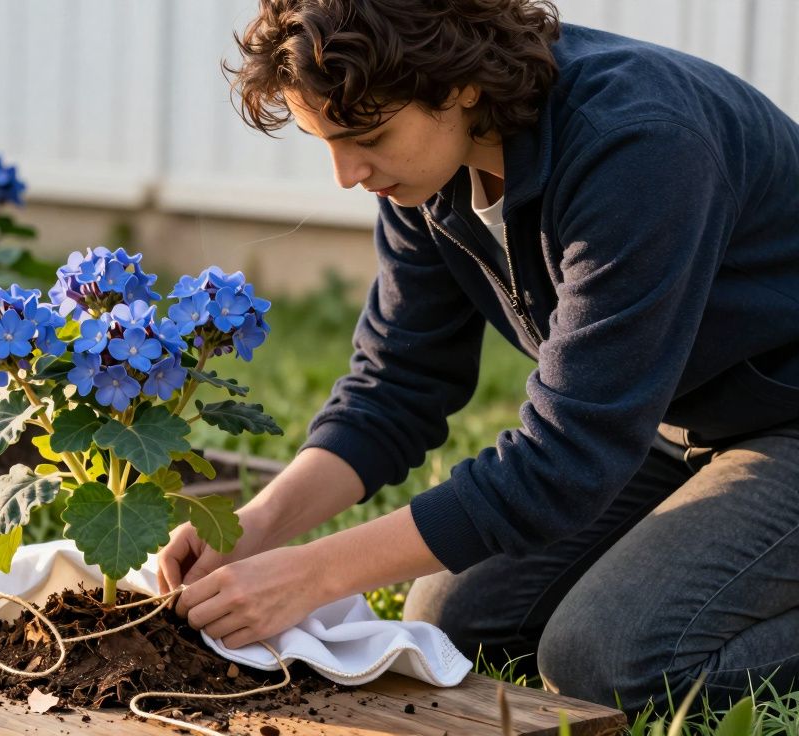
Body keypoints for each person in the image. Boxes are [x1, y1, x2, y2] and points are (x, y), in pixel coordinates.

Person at [157, 0, 799, 713]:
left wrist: (311, 574)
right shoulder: (426, 173)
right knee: (455, 619)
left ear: (460, 85)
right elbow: (396, 386)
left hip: (785, 418)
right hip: (672, 418)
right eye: (326, 141)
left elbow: (566, 458)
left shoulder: (638, 145)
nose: (347, 174)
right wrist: (254, 527)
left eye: (368, 136)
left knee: (608, 662)